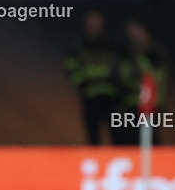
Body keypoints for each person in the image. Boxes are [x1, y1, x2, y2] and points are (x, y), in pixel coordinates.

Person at [65, 10, 120, 145]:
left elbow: (121, 66)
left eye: (97, 23)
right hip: (90, 96)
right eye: (91, 22)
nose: (94, 26)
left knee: (117, 134)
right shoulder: (78, 45)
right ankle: (96, 161)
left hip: (112, 96)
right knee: (93, 135)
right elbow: (71, 67)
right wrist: (82, 83)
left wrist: (118, 85)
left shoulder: (113, 44)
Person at [115, 17, 168, 145]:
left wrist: (140, 72)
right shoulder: (126, 52)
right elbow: (122, 75)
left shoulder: (155, 53)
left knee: (149, 139)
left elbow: (156, 77)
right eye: (130, 32)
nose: (134, 35)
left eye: (137, 31)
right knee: (129, 139)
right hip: (130, 104)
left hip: (151, 105)